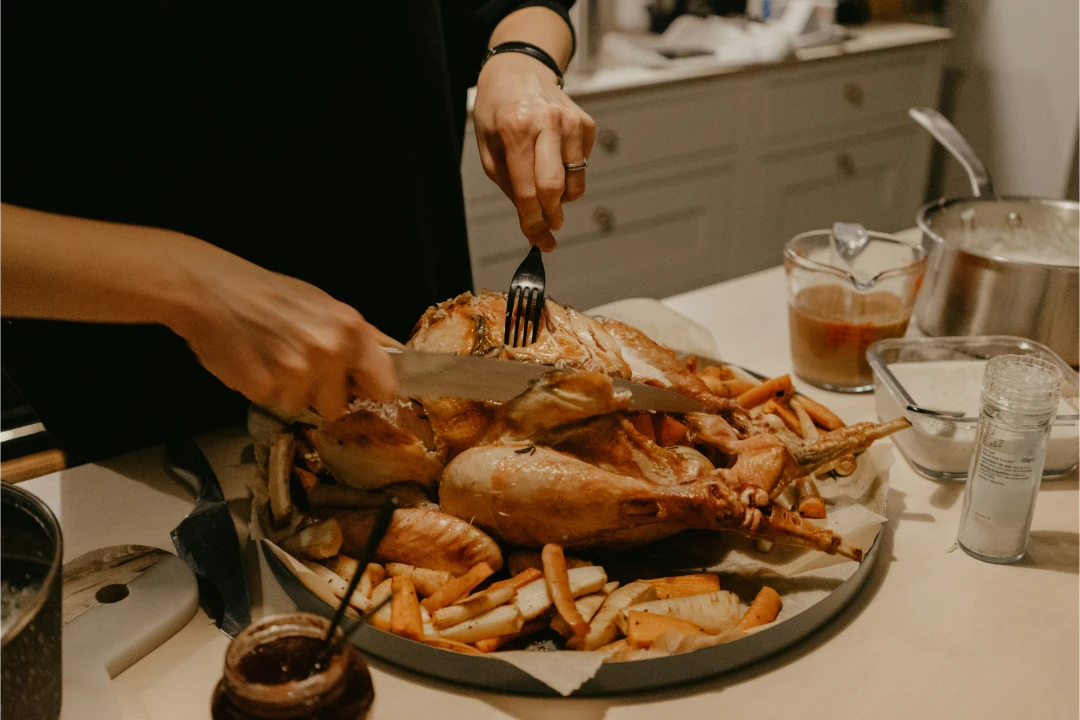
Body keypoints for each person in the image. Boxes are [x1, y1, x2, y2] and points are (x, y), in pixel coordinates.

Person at [0, 2, 594, 465]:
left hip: (417, 373)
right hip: (153, 419)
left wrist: (520, 58)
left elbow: (514, 3)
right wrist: (186, 285)